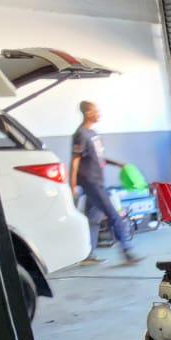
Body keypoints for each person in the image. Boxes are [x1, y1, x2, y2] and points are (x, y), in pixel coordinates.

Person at [70, 101, 142, 264]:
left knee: (93, 218)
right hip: (91, 182)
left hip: (98, 181)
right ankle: (127, 251)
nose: (99, 114)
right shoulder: (80, 134)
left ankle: (88, 255)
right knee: (114, 215)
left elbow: (99, 157)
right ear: (88, 113)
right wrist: (72, 185)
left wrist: (117, 164)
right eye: (96, 111)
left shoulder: (93, 134)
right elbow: (75, 161)